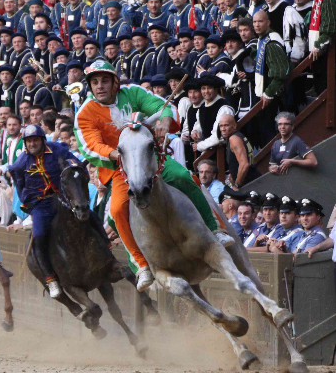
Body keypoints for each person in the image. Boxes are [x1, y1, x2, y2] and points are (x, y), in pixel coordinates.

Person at [75, 60, 236, 292]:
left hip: (151, 159)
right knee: (118, 209)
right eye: (95, 82)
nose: (100, 86)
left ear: (114, 81)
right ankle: (141, 265)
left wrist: (164, 120)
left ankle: (214, 229)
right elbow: (89, 145)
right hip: (119, 167)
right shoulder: (85, 113)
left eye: (105, 80)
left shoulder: (133, 92)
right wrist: (118, 154)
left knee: (182, 175)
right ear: (90, 86)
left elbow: (162, 106)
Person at [9, 124, 81, 298]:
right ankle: (50, 279)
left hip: (64, 199)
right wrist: (30, 205)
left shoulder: (57, 149)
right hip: (41, 205)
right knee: (39, 234)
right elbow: (20, 187)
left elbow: (74, 162)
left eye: (35, 140)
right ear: (25, 144)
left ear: (42, 140)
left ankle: (106, 247)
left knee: (88, 216)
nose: (32, 144)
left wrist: (74, 170)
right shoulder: (20, 164)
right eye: (29, 141)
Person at [219, 114, 261, 190]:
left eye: (226, 125)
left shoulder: (234, 139)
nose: (223, 129)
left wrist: (237, 185)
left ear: (234, 126)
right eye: (221, 126)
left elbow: (244, 164)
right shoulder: (239, 136)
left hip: (249, 184)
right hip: (252, 181)